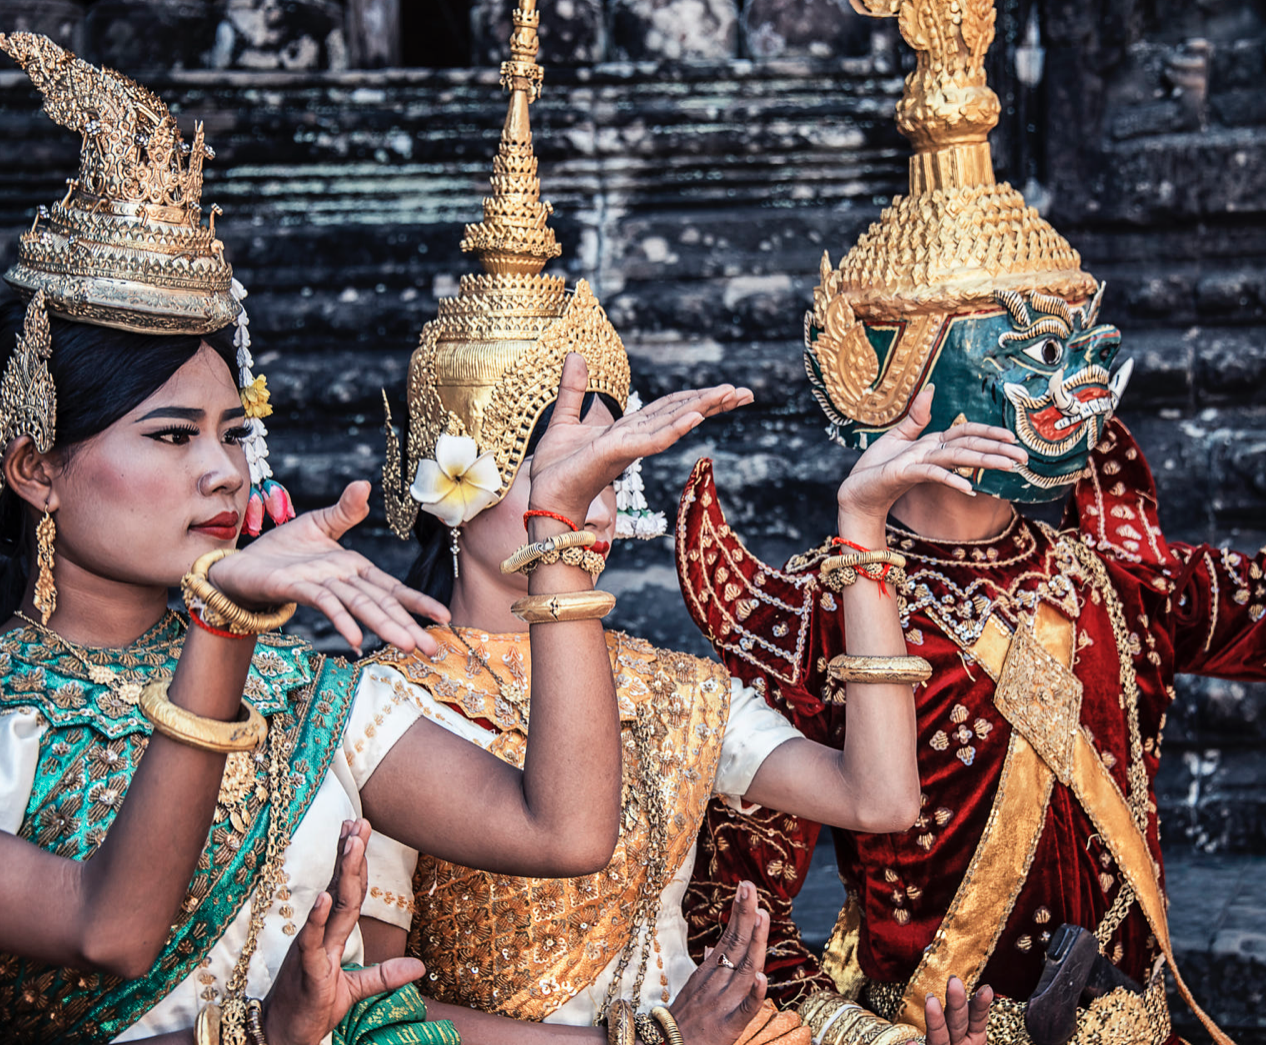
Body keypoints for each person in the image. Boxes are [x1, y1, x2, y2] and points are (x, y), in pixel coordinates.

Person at [673, 2, 1266, 1045]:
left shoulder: (1114, 579)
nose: (1082, 386)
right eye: (1032, 354)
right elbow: (732, 930)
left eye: (1081, 347)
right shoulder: (822, 616)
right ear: (894, 376)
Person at [0, 32, 731, 1045]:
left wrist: (557, 536)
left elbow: (562, 830)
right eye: (171, 437)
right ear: (34, 467)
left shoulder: (304, 694)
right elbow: (114, 931)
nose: (222, 472)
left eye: (231, 434)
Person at [350, 6, 1003, 1045]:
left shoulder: (661, 686)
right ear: (445, 486)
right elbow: (366, 1015)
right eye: (561, 473)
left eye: (610, 471)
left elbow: (879, 796)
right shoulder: (385, 706)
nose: (594, 504)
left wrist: (864, 533)